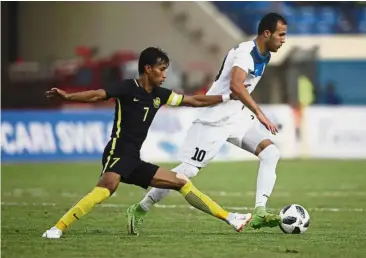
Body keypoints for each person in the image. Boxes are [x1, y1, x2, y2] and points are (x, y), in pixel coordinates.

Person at [42, 47, 252, 239]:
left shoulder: (160, 95)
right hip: (117, 152)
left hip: (133, 159)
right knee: (106, 188)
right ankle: (57, 228)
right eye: (161, 69)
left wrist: (226, 97)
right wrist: (68, 96)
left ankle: (231, 218)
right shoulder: (127, 88)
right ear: (148, 68)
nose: (165, 74)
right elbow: (98, 95)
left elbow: (193, 100)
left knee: (180, 181)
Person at [128, 13, 287, 235]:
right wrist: (260, 113)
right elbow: (236, 86)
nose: (284, 39)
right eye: (281, 34)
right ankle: (140, 208)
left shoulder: (266, 55)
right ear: (267, 33)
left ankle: (260, 212)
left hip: (237, 118)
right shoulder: (245, 53)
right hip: (214, 119)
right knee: (185, 173)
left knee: (271, 153)